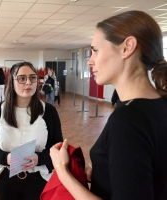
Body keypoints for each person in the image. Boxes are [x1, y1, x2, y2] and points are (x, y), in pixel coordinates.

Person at [50, 10, 167, 200]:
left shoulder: (128, 121)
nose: (90, 61)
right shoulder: (158, 105)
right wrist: (98, 174)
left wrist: (62, 170)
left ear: (127, 47)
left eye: (95, 50)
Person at [0, 61, 63, 200]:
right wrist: (6, 158)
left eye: (32, 78)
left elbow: (58, 148)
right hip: (5, 180)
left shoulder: (49, 112)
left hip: (39, 179)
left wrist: (39, 158)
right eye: (22, 78)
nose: (28, 83)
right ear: (12, 81)